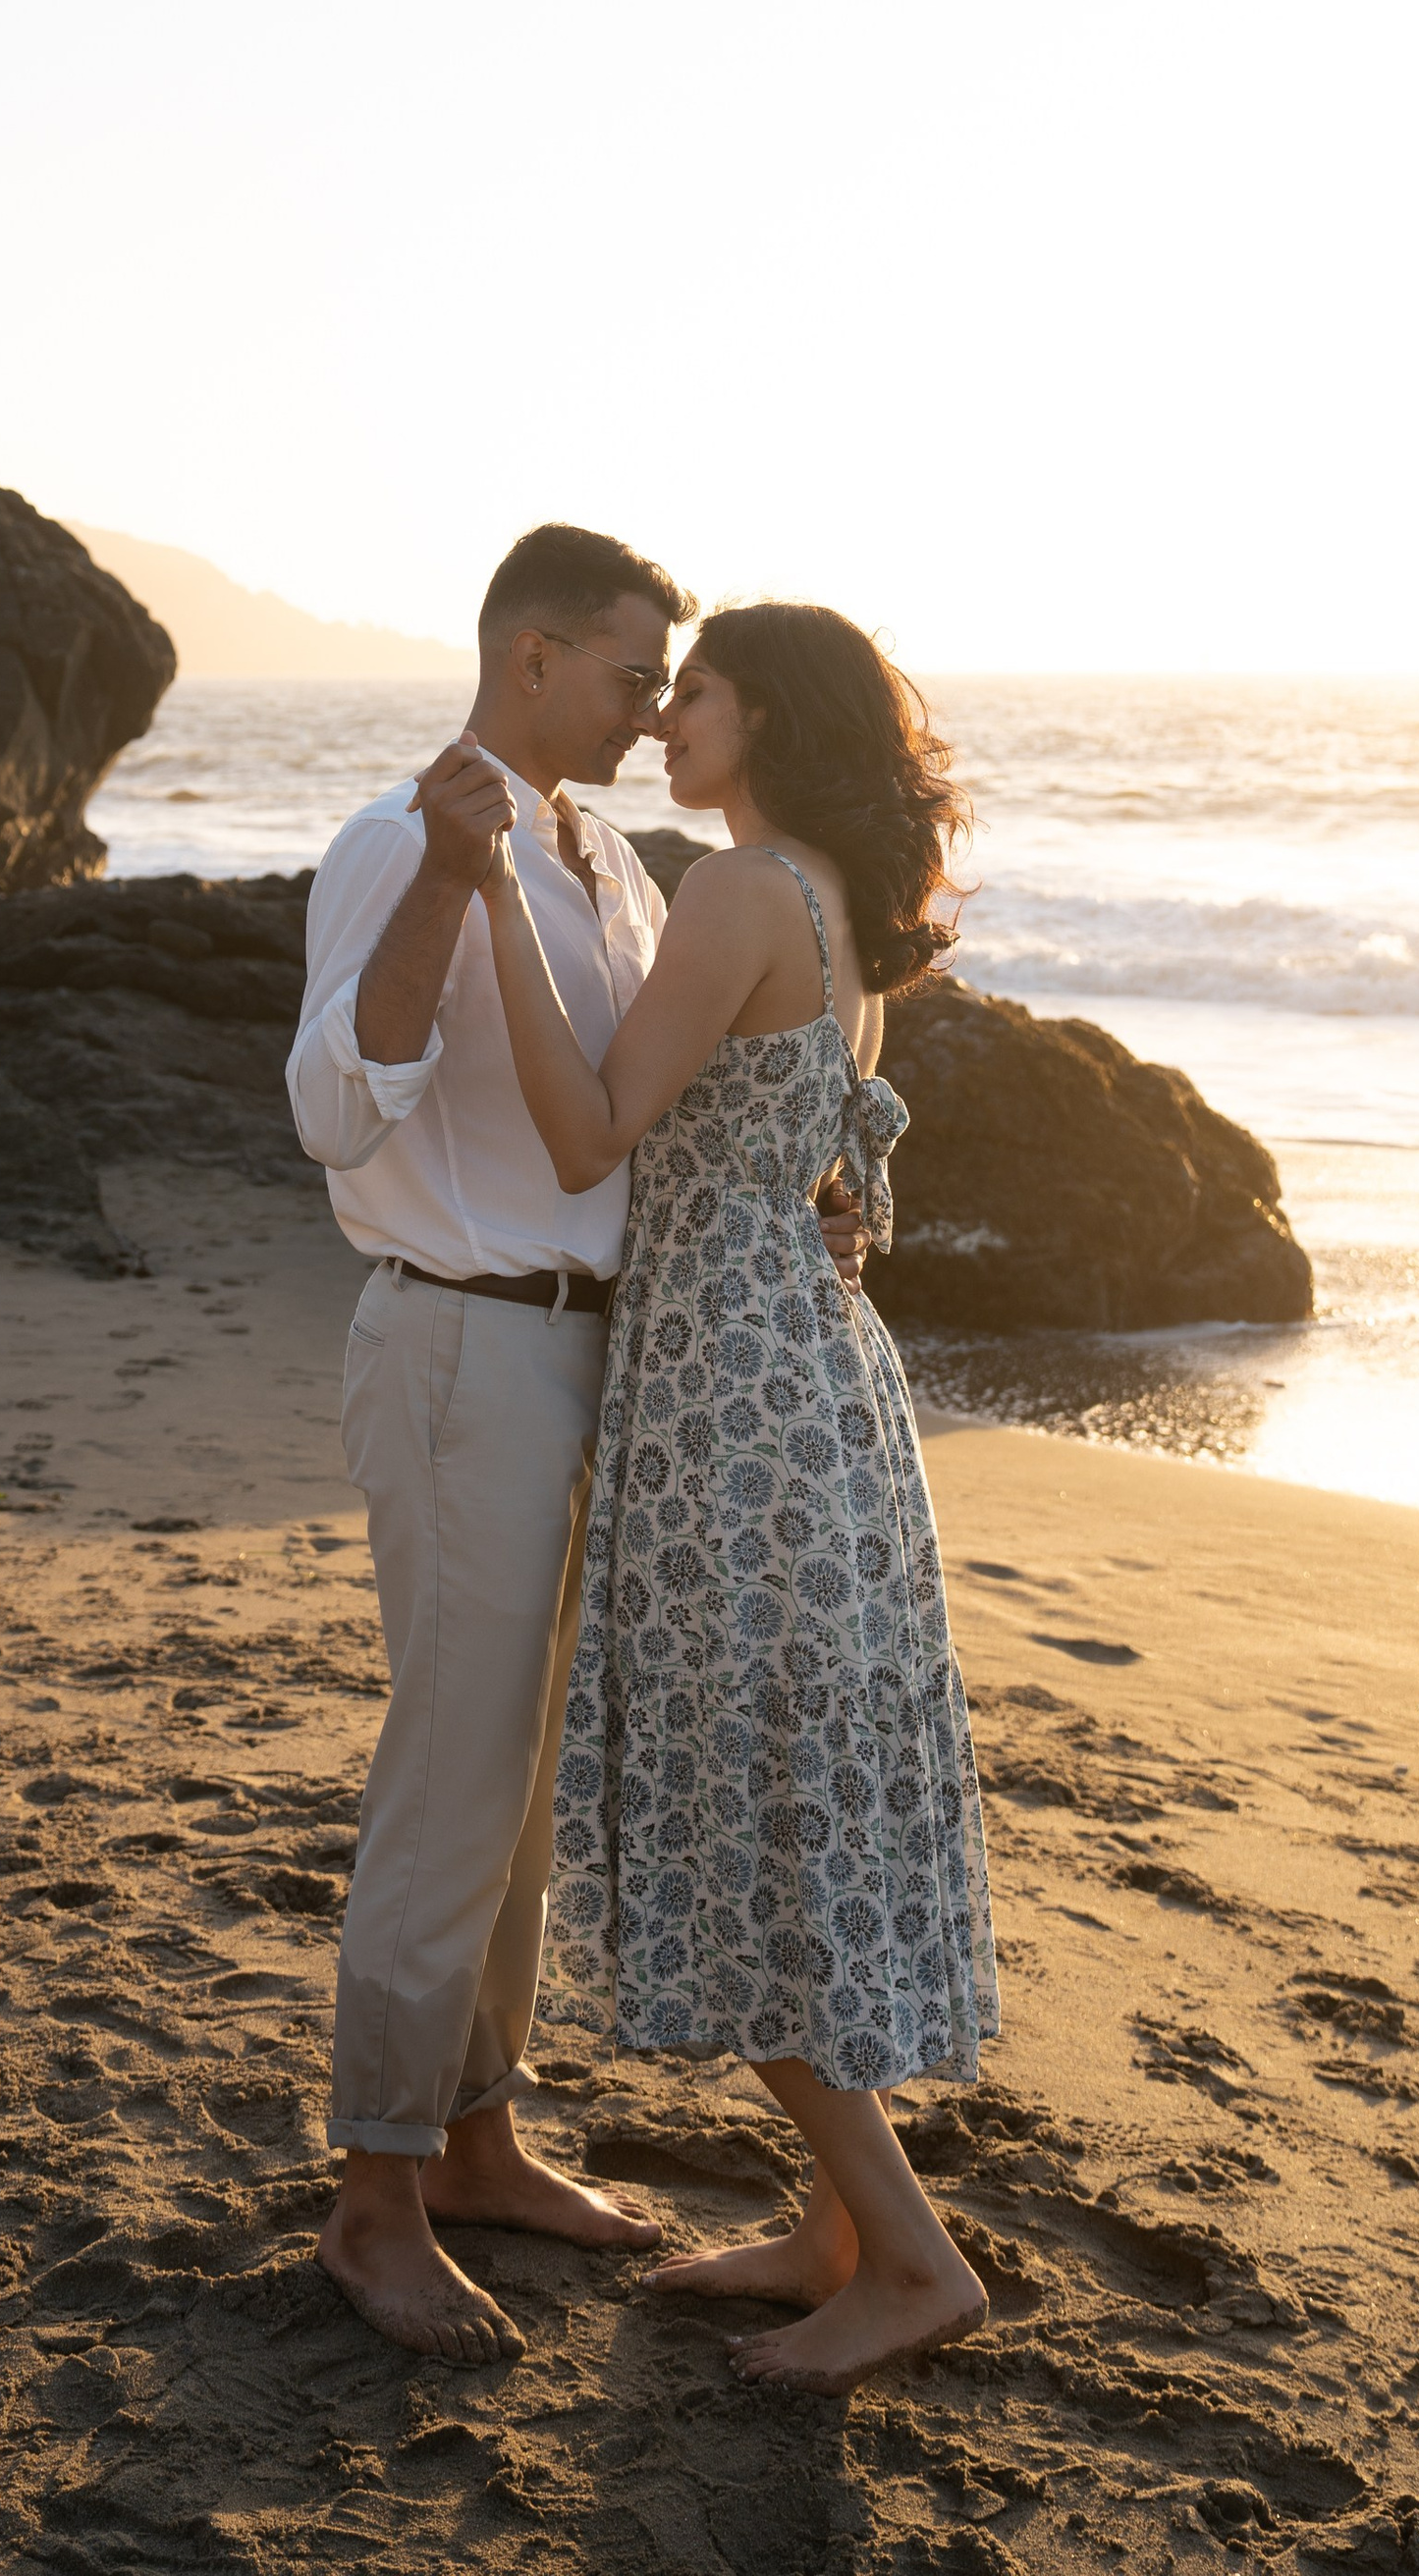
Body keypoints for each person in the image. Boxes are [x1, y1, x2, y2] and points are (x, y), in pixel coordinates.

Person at [285, 524, 866, 2363]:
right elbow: (333, 1100)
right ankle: (373, 2201)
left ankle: (474, 2140)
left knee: (523, 1798)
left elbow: (640, 1109)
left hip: (598, 1358)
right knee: (454, 1779)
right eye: (633, 674)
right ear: (533, 659)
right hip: (462, 1344)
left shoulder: (609, 857)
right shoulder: (404, 838)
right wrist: (450, 881)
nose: (650, 706)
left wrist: (811, 1203)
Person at [468, 600, 999, 2397]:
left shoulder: (738, 891)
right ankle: (836, 2232)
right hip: (816, 1387)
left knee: (749, 1822)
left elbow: (590, 1131)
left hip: (726, 1403)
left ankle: (909, 2256)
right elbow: (830, 1167)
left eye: (692, 689)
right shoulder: (842, 909)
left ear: (765, 713)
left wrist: (485, 904)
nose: (667, 714)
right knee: (778, 1798)